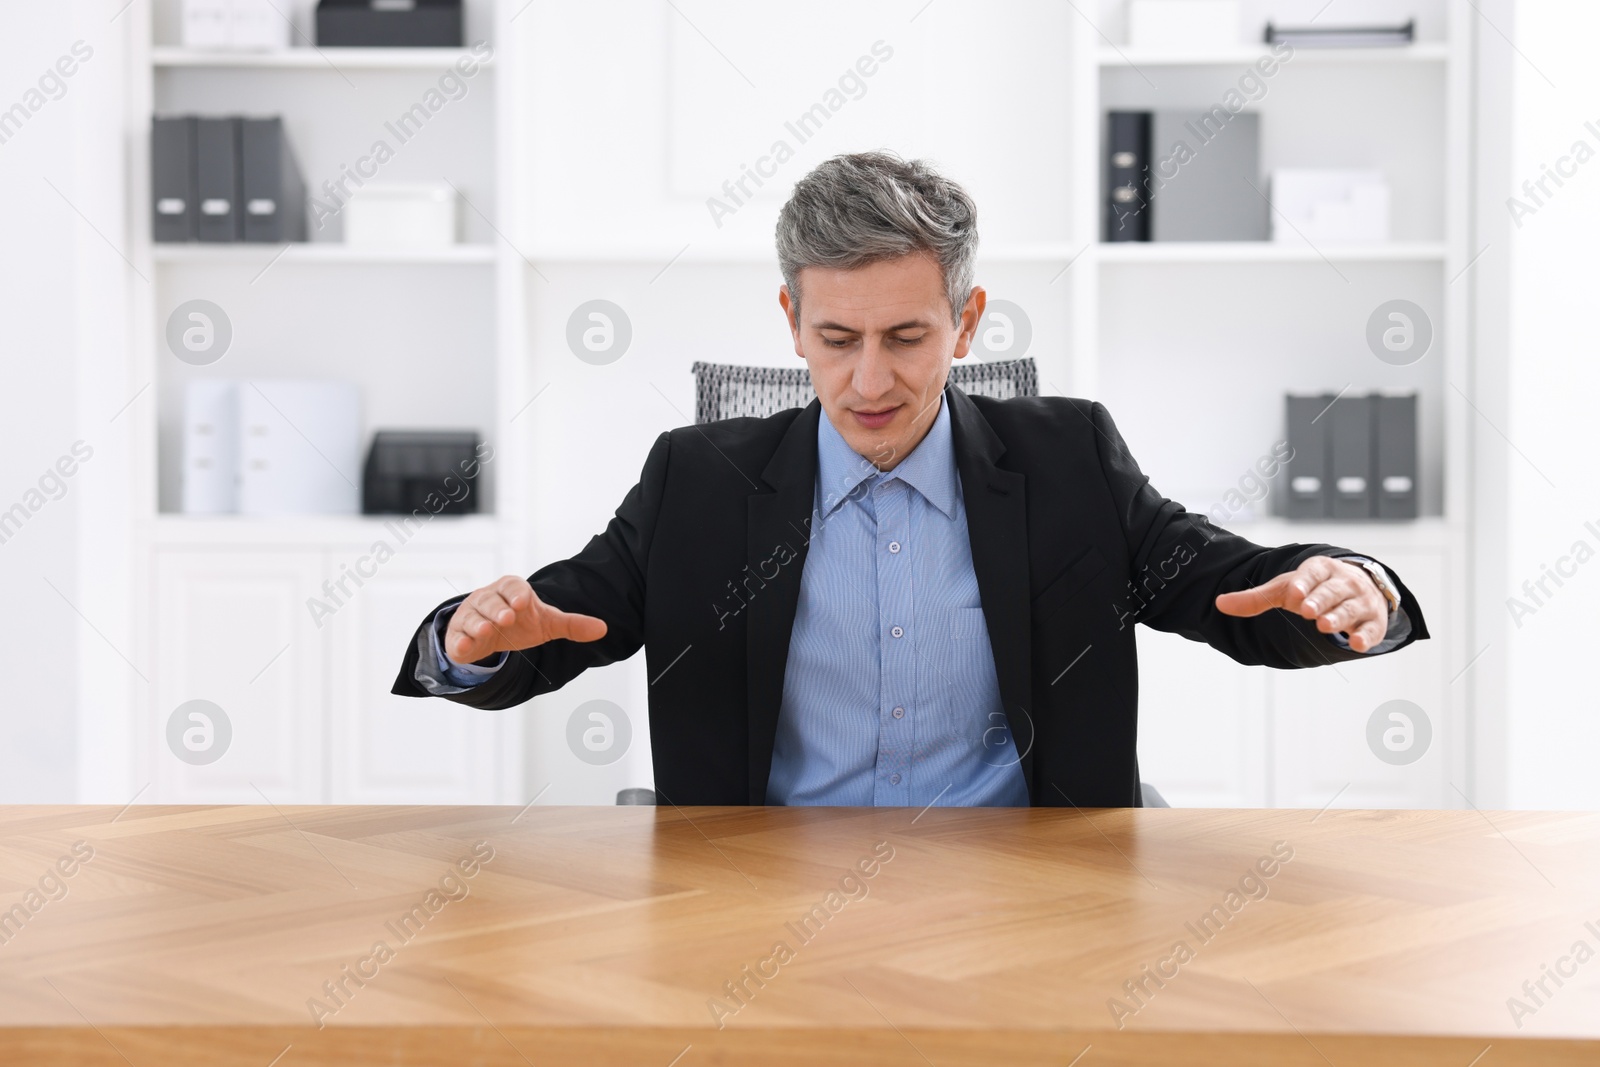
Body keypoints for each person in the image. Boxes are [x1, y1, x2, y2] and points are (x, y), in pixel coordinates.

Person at [391, 151, 1427, 808]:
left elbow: (1231, 588)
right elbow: (563, 616)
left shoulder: (1069, 459)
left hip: (1029, 895)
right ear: (790, 322)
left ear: (967, 325)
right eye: (836, 337)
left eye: (906, 335)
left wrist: (1334, 589)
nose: (869, 379)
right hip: (758, 902)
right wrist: (471, 640)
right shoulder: (696, 478)